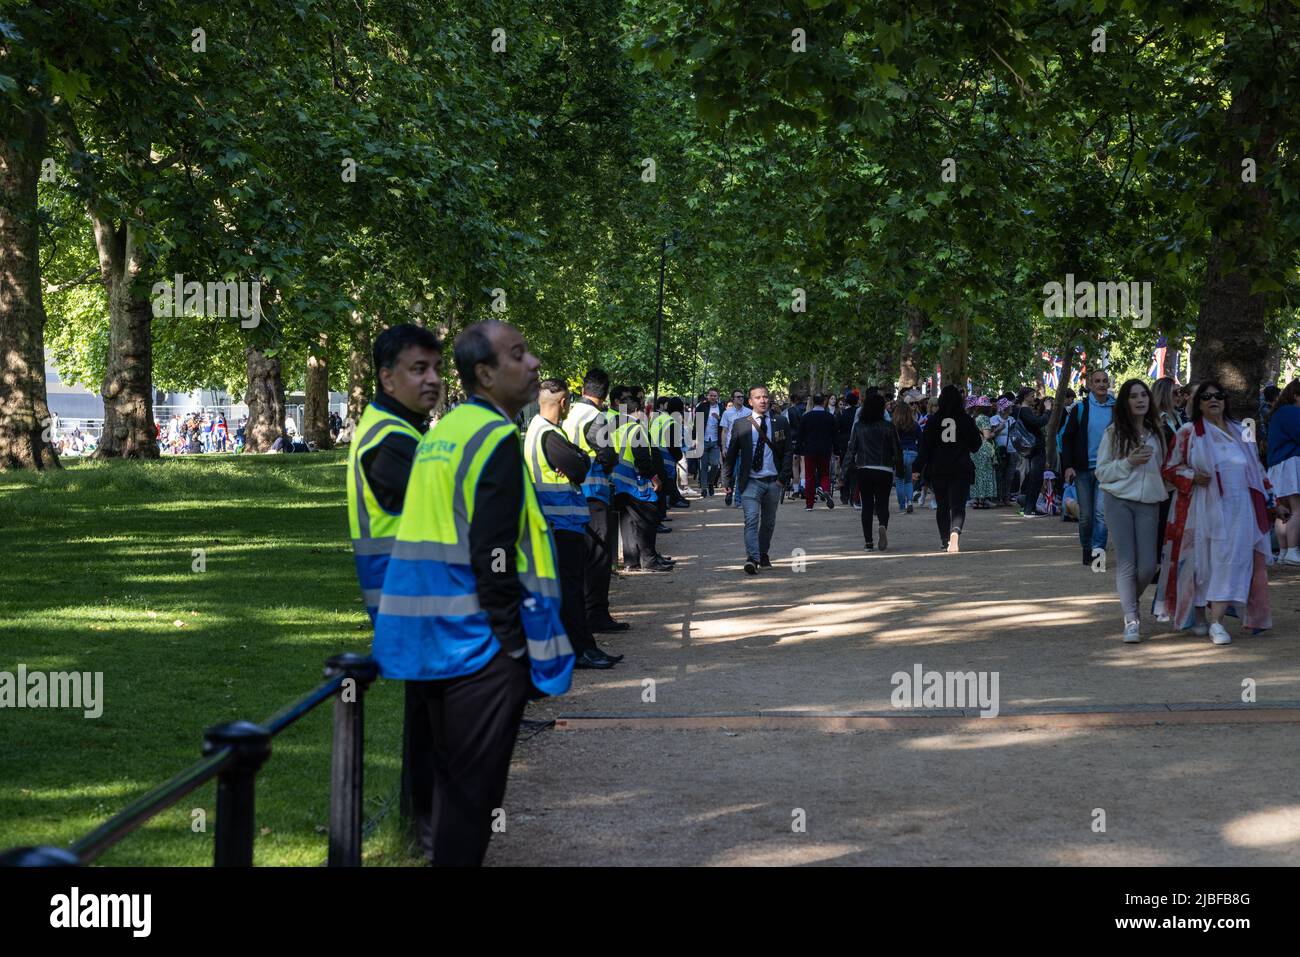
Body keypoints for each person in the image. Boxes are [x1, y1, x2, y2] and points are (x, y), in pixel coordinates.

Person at [372, 319, 574, 866]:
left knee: (448, 795)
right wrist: (512, 648)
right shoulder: (494, 439)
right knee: (471, 804)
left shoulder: (445, 432)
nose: (533, 363)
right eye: (518, 354)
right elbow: (494, 553)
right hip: (478, 647)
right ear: (485, 373)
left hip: (435, 639)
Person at [345, 323, 443, 852]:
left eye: (435, 369)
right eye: (417, 369)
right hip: (413, 598)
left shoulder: (398, 430)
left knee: (431, 724)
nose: (432, 380)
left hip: (417, 595)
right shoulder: (390, 439)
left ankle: (421, 831)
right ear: (386, 378)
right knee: (435, 727)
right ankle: (425, 835)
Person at [1153, 380, 1275, 645]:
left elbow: (1257, 469)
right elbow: (1169, 468)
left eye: (1218, 395)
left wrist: (1272, 499)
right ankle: (1198, 617)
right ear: (1198, 404)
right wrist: (1192, 476)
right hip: (1200, 508)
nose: (1213, 400)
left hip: (1240, 508)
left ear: (1225, 400)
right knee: (1201, 563)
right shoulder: (1188, 432)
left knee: (1232, 561)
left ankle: (1217, 622)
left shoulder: (1242, 431)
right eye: (1206, 397)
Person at [525, 379, 623, 669]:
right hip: (560, 521)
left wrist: (576, 458)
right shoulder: (548, 434)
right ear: (562, 402)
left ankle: (575, 647)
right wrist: (578, 459)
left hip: (555, 521)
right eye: (567, 401)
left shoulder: (539, 430)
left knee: (566, 589)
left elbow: (575, 461)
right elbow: (580, 468)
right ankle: (581, 650)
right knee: (570, 591)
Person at [1095, 380, 1169, 643]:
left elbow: (1164, 469)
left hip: (1150, 502)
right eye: (1134, 396)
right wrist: (1128, 462)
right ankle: (1131, 619)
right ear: (1125, 402)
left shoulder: (1157, 431)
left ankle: (1130, 601)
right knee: (1127, 562)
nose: (1140, 400)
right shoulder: (1113, 433)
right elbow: (1101, 472)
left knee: (1148, 567)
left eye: (1144, 395)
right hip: (1118, 501)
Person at [562, 368, 628, 633]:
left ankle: (584, 611)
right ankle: (597, 614)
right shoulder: (596, 417)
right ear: (605, 392)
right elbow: (608, 454)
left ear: (582, 390)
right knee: (599, 556)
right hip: (595, 494)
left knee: (581, 556)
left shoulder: (568, 415)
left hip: (570, 494)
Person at [722, 384, 793, 574]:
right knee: (751, 520)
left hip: (773, 481)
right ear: (750, 401)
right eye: (758, 397)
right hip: (750, 481)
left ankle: (763, 553)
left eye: (765, 397)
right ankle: (752, 558)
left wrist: (782, 478)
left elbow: (787, 452)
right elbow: (731, 455)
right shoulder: (741, 424)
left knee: (768, 523)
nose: (763, 400)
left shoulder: (780, 422)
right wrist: (726, 480)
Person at [912, 385, 982, 553]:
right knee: (958, 505)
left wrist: (917, 468)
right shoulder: (965, 419)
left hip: (939, 469)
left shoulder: (933, 420)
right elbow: (976, 445)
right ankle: (955, 534)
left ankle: (944, 539)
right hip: (960, 467)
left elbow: (925, 447)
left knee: (942, 505)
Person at [609, 385, 671, 572]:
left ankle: (632, 561)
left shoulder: (614, 427)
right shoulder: (636, 428)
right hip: (636, 482)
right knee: (648, 519)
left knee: (628, 522)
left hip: (619, 483)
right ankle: (649, 559)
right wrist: (654, 478)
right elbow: (642, 457)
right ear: (637, 411)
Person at [1061, 369, 1117, 565]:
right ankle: (1087, 548)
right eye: (1097, 381)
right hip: (1083, 469)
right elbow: (1066, 439)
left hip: (1106, 470)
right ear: (1090, 385)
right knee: (1086, 515)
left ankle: (1097, 554)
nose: (1102, 384)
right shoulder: (1080, 408)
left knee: (1101, 514)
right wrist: (1067, 466)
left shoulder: (1116, 409)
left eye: (1104, 381)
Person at [844, 393, 904, 550]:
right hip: (884, 469)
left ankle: (868, 542)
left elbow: (851, 450)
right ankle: (882, 525)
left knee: (867, 506)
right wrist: (900, 470)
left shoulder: (858, 427)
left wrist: (843, 473)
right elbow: (897, 450)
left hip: (864, 468)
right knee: (883, 502)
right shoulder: (889, 426)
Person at [1266, 379, 1300, 564]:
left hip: (1278, 465)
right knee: (1297, 509)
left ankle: (1285, 552)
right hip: (1291, 463)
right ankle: (1292, 550)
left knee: (1284, 510)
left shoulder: (1279, 413)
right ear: (1296, 396)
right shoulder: (1292, 412)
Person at [798, 394, 836, 510]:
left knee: (809, 476)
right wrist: (837, 450)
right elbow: (834, 435)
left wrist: (798, 450)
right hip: (825, 450)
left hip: (810, 450)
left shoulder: (806, 417)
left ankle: (809, 504)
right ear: (824, 401)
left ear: (813, 402)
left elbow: (801, 435)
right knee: (824, 473)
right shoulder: (829, 417)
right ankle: (825, 490)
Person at [891, 394, 921, 513]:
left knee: (899, 480)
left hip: (899, 453)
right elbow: (922, 439)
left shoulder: (894, 425)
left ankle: (902, 505)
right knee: (909, 480)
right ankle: (909, 500)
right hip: (912, 452)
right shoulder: (914, 424)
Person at [720, 389, 749, 506]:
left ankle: (738, 500)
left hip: (743, 447)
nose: (741, 398)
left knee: (740, 474)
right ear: (733, 399)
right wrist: (723, 447)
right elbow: (724, 431)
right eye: (738, 397)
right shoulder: (727, 413)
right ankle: (728, 492)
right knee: (731, 474)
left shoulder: (749, 412)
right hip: (730, 447)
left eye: (742, 396)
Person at [694, 388, 723, 496]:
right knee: (703, 466)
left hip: (715, 441)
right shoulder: (702, 407)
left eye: (715, 396)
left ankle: (711, 483)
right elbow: (696, 424)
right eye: (711, 395)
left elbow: (725, 424)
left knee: (715, 465)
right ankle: (704, 488)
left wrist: (719, 418)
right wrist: (694, 439)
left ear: (717, 396)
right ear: (707, 396)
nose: (713, 397)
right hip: (703, 440)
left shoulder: (721, 407)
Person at [971, 397, 999, 508]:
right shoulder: (985, 419)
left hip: (975, 449)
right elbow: (987, 436)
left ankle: (977, 500)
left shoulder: (975, 418)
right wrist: (996, 430)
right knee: (984, 474)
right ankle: (982, 501)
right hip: (984, 449)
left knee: (977, 475)